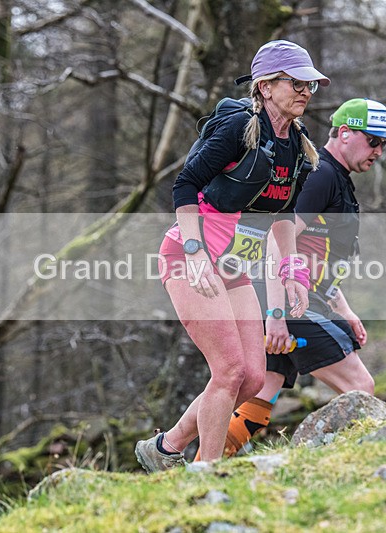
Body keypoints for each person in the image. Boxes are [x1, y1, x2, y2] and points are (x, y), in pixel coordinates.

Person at [134, 40, 330, 473]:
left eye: (311, 85)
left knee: (254, 379)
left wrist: (293, 272)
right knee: (228, 370)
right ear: (264, 86)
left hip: (235, 267)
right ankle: (205, 473)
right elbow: (185, 185)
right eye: (296, 83)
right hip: (190, 258)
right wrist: (195, 249)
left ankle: (166, 447)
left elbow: (282, 217)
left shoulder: (298, 144)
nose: (305, 92)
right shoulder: (239, 127)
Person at [206, 98, 386, 458]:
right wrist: (277, 315)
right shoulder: (322, 175)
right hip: (288, 302)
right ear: (344, 134)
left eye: (384, 144)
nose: (379, 150)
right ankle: (353, 465)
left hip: (292, 299)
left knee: (258, 398)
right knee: (360, 385)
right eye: (373, 140)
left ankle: (202, 465)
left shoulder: (336, 178)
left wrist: (343, 308)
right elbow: (274, 240)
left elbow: (321, 257)